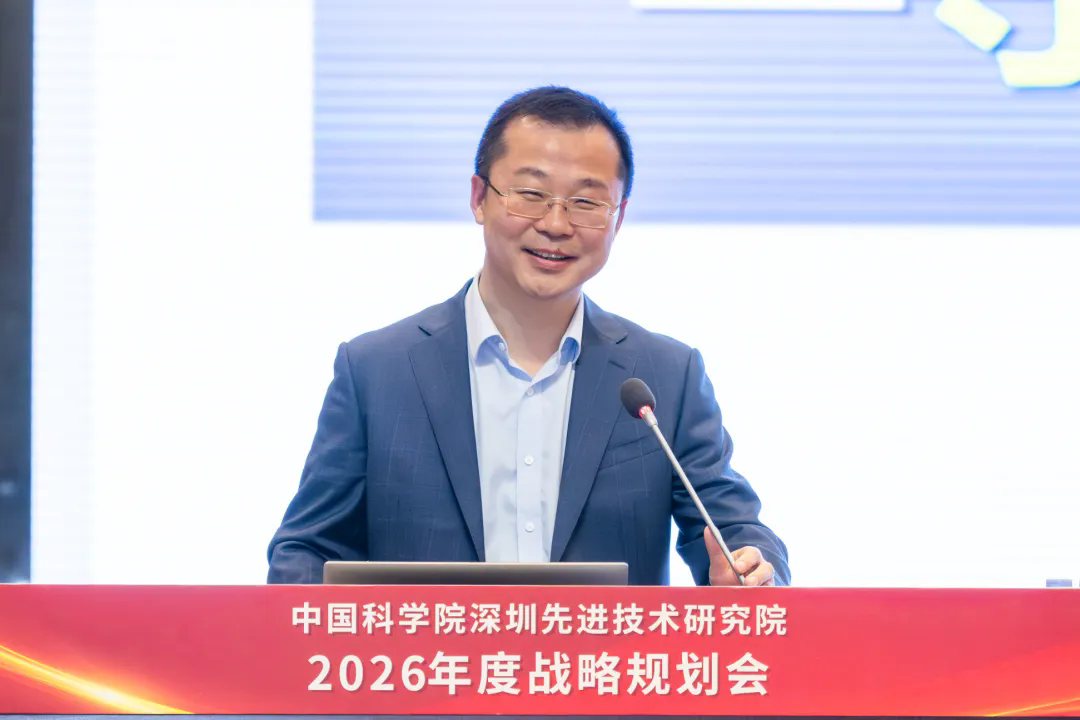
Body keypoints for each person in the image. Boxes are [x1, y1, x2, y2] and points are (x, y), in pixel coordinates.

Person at [267, 86, 789, 587]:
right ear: (479, 198)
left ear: (619, 218)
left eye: (586, 202)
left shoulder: (665, 376)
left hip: (600, 653)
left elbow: (734, 531)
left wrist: (752, 569)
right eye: (532, 195)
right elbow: (308, 549)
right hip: (429, 652)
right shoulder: (377, 370)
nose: (556, 224)